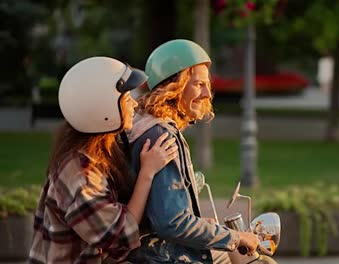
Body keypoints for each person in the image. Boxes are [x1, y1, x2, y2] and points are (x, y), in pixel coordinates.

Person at [28, 56, 178, 263]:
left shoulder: (98, 150)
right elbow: (119, 237)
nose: (134, 104)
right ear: (104, 109)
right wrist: (147, 173)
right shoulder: (80, 174)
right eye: (126, 99)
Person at [126, 39, 259, 264]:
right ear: (173, 86)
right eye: (198, 84)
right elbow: (172, 222)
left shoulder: (146, 123)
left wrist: (201, 224)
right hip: (165, 257)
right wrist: (236, 237)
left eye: (207, 84)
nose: (208, 93)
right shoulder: (162, 136)